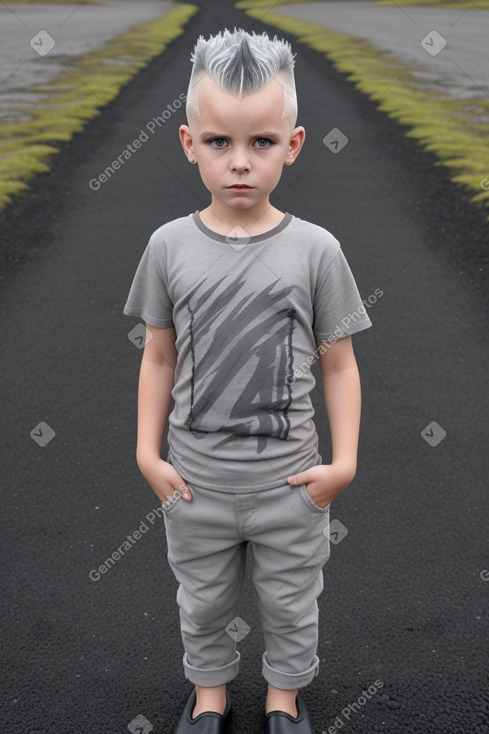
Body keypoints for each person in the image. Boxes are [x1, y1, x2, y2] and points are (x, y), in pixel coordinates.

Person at [123, 27, 372, 734]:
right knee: (201, 601)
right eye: (217, 143)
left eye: (260, 143)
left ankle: (282, 700)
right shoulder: (167, 246)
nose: (239, 164)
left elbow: (339, 362)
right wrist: (147, 454)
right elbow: (158, 357)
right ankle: (208, 698)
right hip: (193, 485)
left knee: (292, 602)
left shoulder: (316, 250)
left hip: (289, 485)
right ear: (187, 143)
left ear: (293, 144)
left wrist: (342, 463)